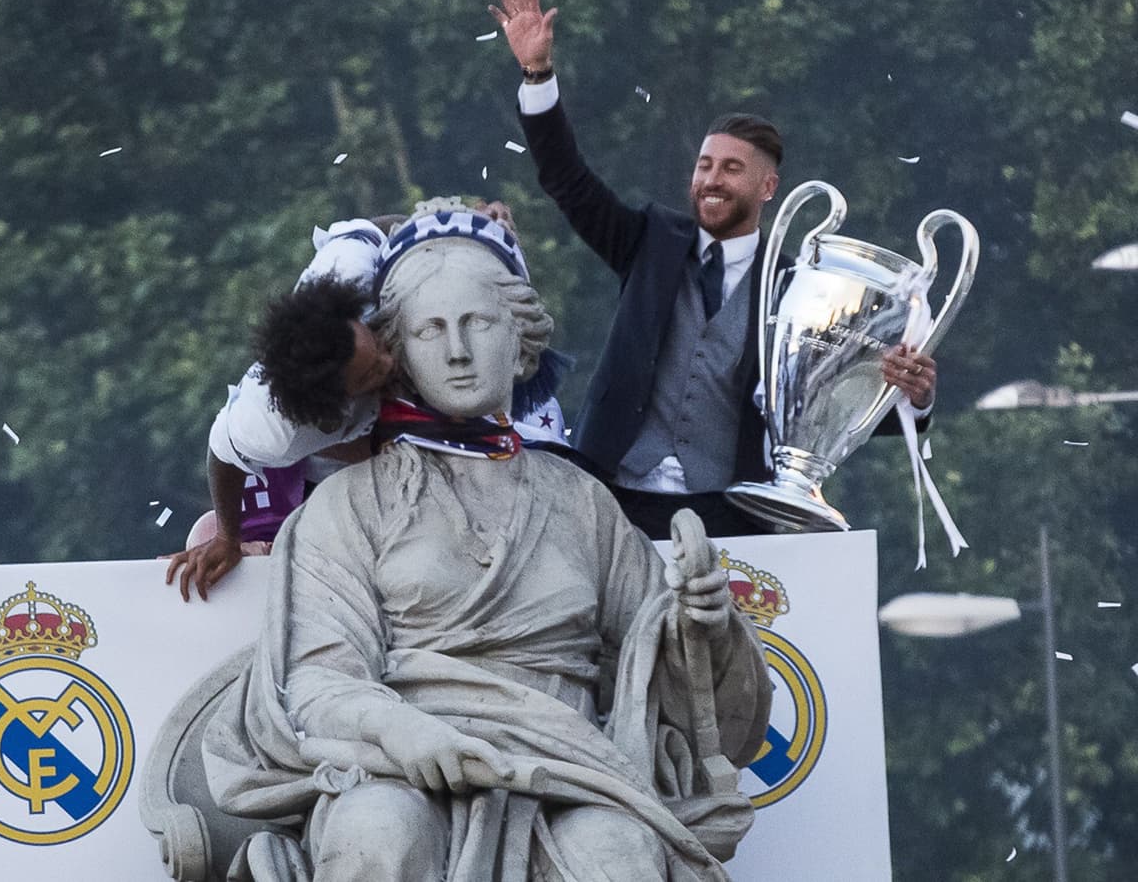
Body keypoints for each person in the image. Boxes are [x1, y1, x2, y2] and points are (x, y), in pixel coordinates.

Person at [199, 206, 771, 881]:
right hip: (403, 767)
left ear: (521, 338)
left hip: (571, 772)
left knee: (615, 853)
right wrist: (404, 731)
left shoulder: (581, 500)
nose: (458, 351)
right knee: (378, 829)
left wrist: (703, 625)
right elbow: (319, 681)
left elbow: (674, 690)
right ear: (401, 349)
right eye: (430, 330)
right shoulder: (349, 503)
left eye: (477, 323)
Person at [489, 0, 938, 540]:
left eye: (731, 169)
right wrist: (537, 74)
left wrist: (912, 399)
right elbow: (565, 178)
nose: (711, 180)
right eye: (705, 165)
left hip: (731, 511)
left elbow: (831, 407)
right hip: (615, 499)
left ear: (768, 187)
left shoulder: (797, 291)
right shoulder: (647, 242)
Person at [165, 199, 569, 601]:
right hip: (345, 458)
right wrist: (227, 538)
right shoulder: (271, 426)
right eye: (371, 372)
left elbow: (387, 230)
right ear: (334, 404)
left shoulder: (348, 270)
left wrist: (458, 226)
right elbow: (221, 452)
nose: (389, 361)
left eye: (375, 344)